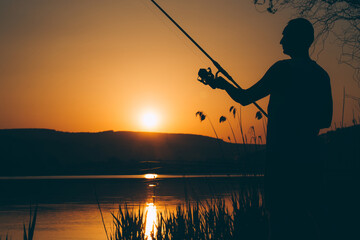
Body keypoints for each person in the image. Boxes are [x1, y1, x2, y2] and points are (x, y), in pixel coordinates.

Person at [200, 18, 333, 240]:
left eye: (285, 35)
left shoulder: (281, 69)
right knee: (314, 219)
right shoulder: (321, 75)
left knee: (279, 220)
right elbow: (326, 119)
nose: (281, 40)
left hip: (280, 159)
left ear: (298, 39)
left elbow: (244, 98)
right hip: (311, 157)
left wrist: (221, 84)